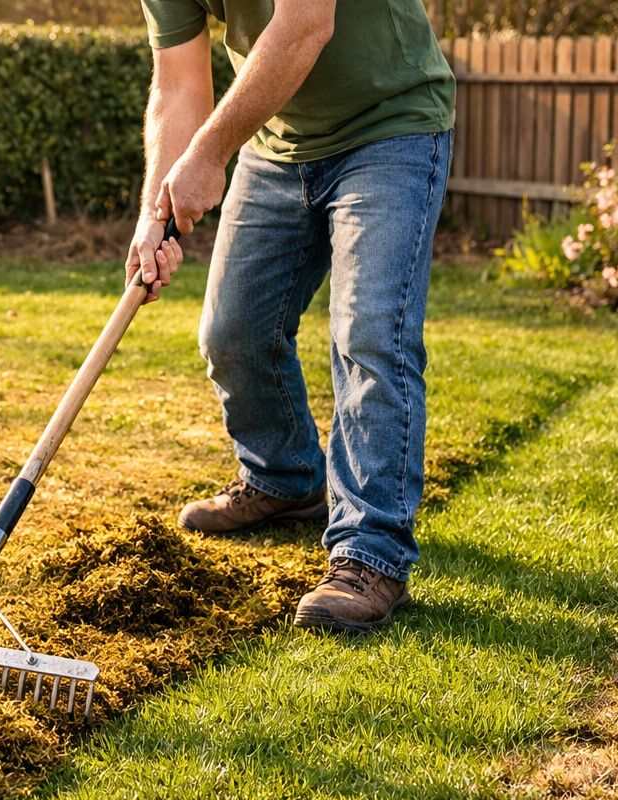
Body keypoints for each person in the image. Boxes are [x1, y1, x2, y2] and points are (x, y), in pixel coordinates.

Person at [129, 0, 455, 631]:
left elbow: (306, 24)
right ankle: (284, 478)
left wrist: (208, 154)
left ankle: (372, 553)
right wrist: (154, 213)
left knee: (370, 335)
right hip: (275, 146)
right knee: (233, 333)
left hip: (391, 126)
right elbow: (178, 84)